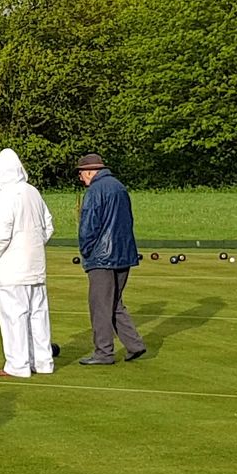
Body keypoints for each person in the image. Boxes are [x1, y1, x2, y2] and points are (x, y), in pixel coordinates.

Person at [0, 149, 55, 377]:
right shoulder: (33, 192)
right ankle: (43, 363)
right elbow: (48, 226)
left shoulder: (5, 197)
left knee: (14, 317)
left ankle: (18, 365)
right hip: (36, 267)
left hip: (11, 270)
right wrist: (34, 245)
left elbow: (0, 236)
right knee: (38, 315)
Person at [74, 153, 147, 364]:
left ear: (89, 171)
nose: (80, 178)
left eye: (81, 173)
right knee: (114, 303)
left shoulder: (95, 190)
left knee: (100, 306)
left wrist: (86, 250)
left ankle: (103, 352)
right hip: (124, 253)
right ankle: (134, 344)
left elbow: (89, 225)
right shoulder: (119, 187)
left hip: (102, 256)